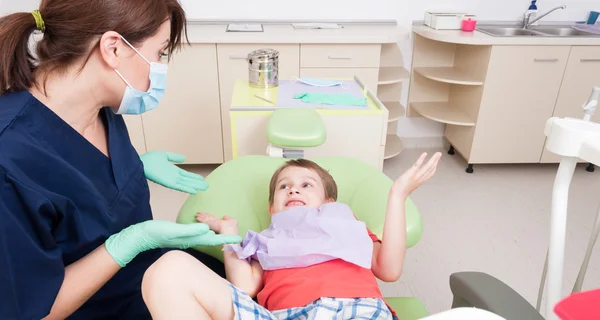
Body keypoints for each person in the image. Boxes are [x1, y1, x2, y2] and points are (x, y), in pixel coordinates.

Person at [0, 1, 242, 319]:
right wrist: (129, 243)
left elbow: (80, 184)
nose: (159, 66)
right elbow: (34, 311)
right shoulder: (10, 159)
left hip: (151, 273)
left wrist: (135, 166)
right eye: (161, 53)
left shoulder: (102, 106)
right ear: (113, 48)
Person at [141, 152, 442, 320]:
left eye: (306, 185)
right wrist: (230, 235)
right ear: (272, 208)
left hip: (355, 312)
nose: (294, 189)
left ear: (329, 203)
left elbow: (389, 269)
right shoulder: (266, 241)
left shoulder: (350, 227)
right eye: (284, 187)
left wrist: (397, 195)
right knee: (168, 268)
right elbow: (244, 287)